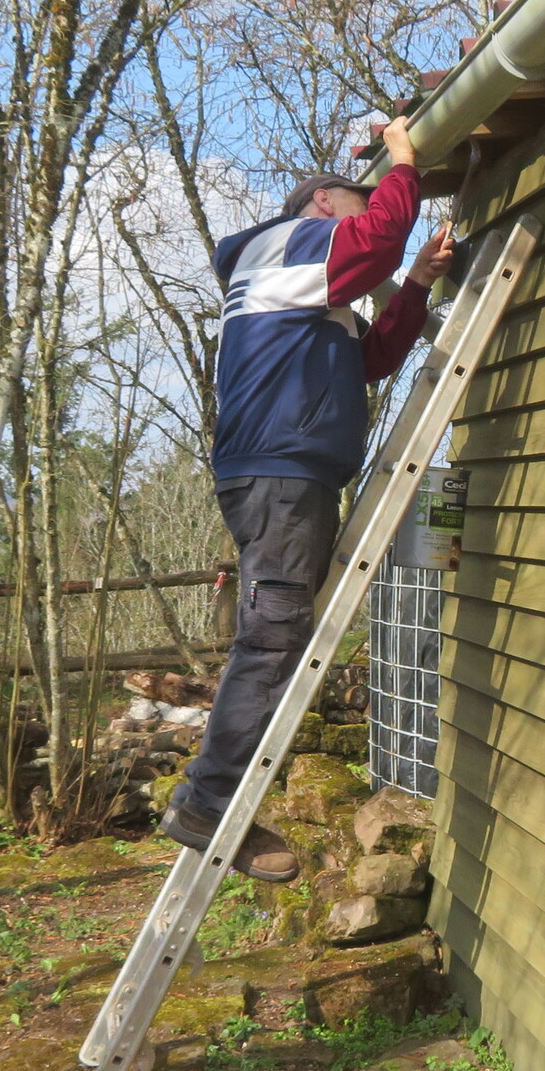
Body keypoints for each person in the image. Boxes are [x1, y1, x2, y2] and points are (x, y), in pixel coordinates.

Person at [164, 115, 454, 882]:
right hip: (282, 476)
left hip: (288, 474)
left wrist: (417, 284)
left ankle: (211, 797)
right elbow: (377, 240)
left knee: (278, 636)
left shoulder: (300, 288)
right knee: (271, 642)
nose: (370, 208)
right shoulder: (288, 243)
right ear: (323, 204)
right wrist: (403, 161)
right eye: (359, 199)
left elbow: (372, 358)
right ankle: (209, 803)